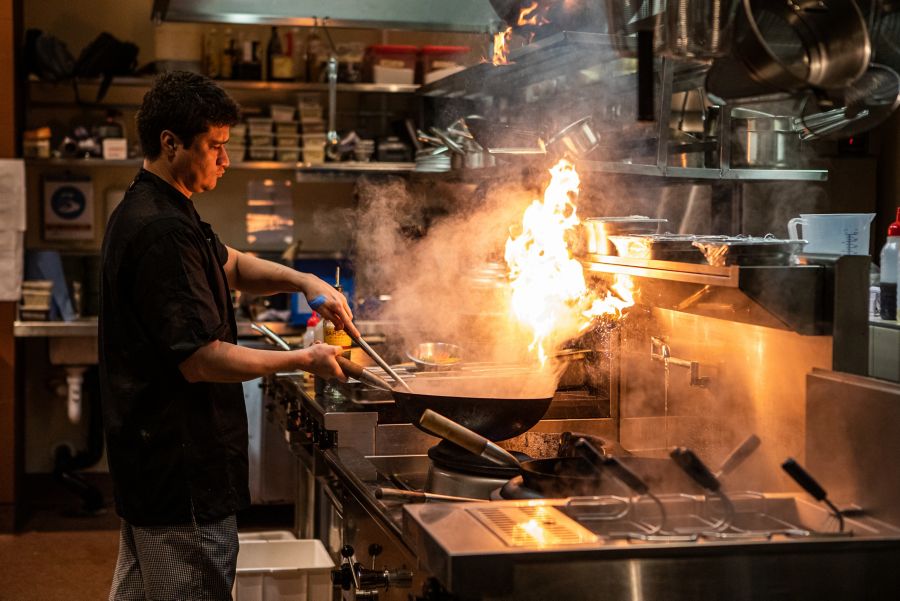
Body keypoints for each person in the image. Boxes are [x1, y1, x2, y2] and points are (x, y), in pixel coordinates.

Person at [99, 70, 359, 600]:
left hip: (153, 469)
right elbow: (202, 359)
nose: (226, 160)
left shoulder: (157, 205)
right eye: (215, 147)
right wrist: (303, 360)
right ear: (171, 143)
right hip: (183, 477)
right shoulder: (162, 231)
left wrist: (304, 280)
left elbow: (232, 264)